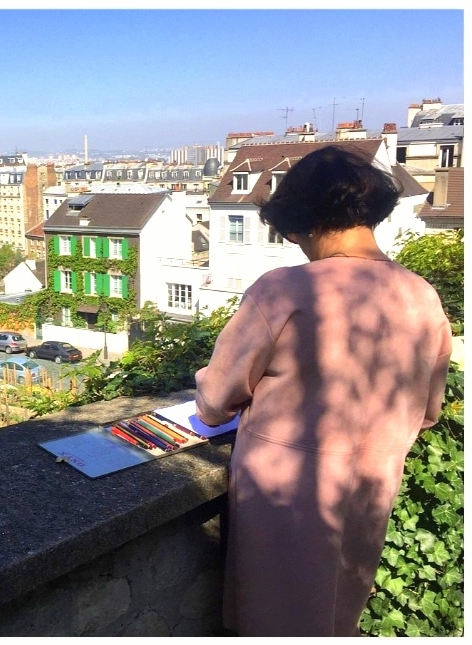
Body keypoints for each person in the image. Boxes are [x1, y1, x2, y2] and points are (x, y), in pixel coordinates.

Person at [193, 145, 453, 637]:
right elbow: (428, 410)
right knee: (337, 610)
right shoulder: (422, 295)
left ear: (305, 222)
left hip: (285, 493)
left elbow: (216, 399)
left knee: (270, 616)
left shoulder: (285, 290)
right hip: (371, 486)